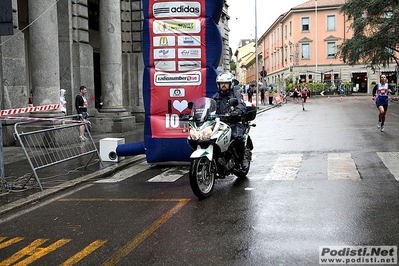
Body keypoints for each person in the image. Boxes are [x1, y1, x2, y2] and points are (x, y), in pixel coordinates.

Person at [212, 72, 248, 168]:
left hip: (234, 121)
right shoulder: (215, 97)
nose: (223, 85)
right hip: (219, 123)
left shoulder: (236, 95)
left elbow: (241, 105)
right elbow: (210, 107)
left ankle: (241, 159)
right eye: (221, 83)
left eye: (226, 83)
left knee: (237, 137)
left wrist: (237, 111)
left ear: (230, 84)